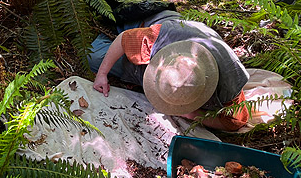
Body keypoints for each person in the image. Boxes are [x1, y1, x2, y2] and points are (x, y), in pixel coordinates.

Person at [89, 10, 250, 131]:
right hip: (160, 19)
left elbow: (235, 122)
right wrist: (102, 75)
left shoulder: (229, 82)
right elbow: (124, 39)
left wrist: (193, 114)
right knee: (94, 55)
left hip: (169, 34)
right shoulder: (159, 37)